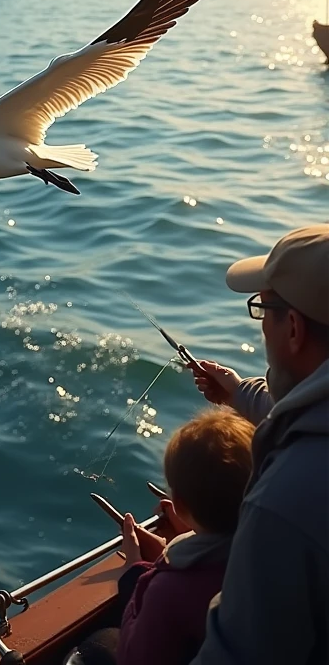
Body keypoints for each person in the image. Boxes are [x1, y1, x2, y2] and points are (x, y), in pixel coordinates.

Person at [188, 223, 329, 665]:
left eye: (262, 310)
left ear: (292, 328)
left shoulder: (285, 501)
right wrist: (237, 393)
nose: (261, 327)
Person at [70, 409, 255, 665]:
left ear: (177, 503)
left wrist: (136, 573)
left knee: (97, 646)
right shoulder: (268, 549)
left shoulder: (167, 591)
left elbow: (135, 657)